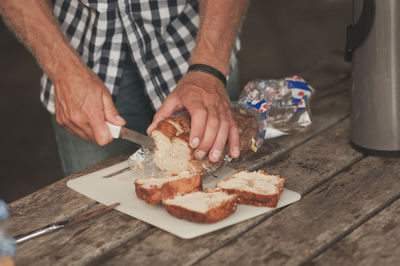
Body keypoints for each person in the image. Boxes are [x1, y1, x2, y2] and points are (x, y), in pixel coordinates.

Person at [0, 0, 248, 176]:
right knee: (95, 223)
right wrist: (62, 69)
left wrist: (208, 71)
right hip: (79, 73)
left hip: (198, 56)